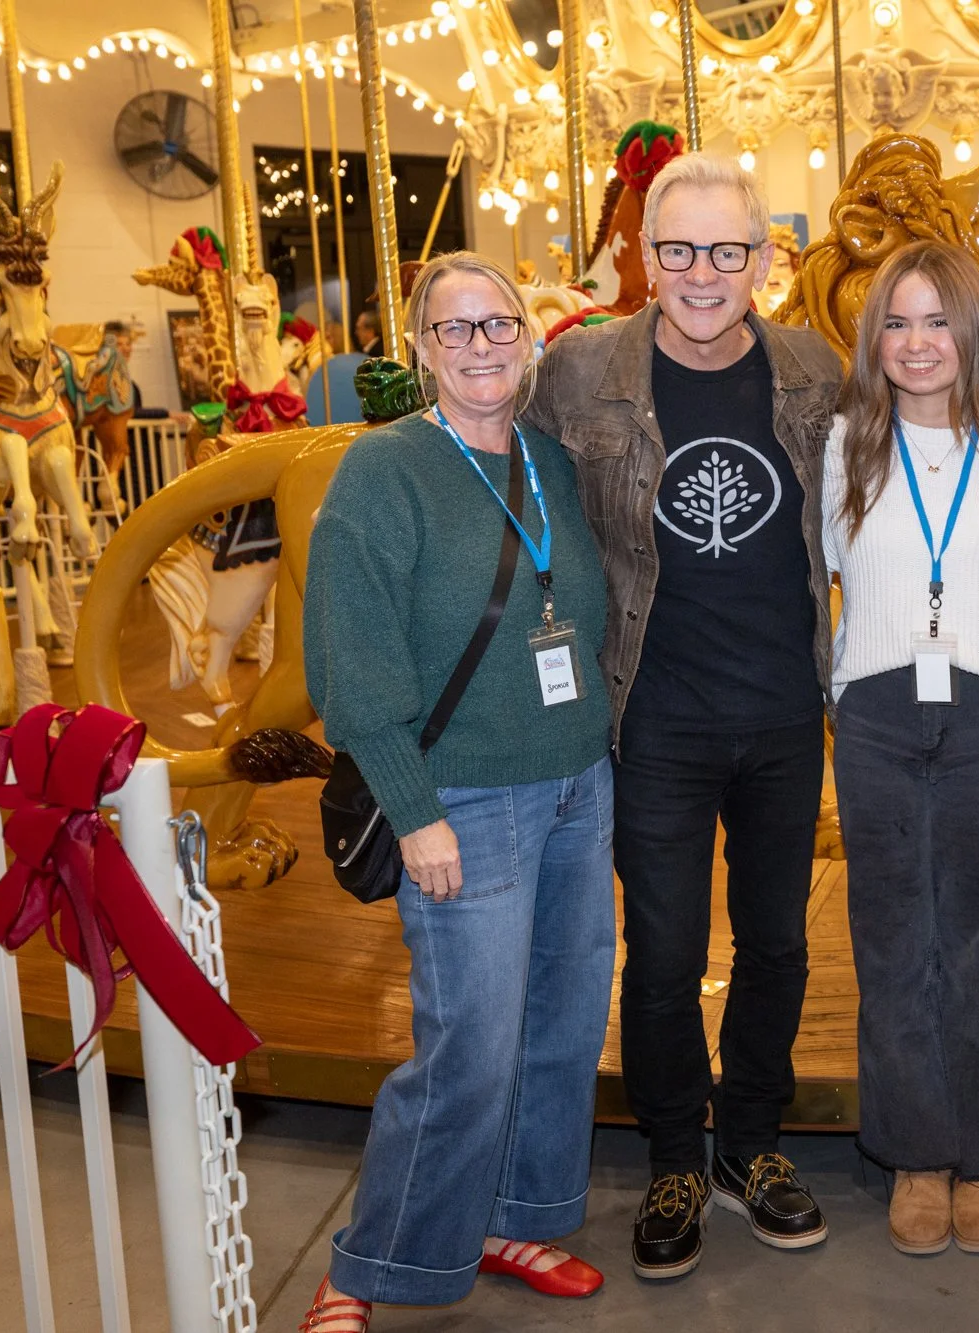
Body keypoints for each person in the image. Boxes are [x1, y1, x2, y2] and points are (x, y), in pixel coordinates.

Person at [525, 154, 842, 1280]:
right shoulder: (578, 372)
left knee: (777, 941)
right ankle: (673, 1155)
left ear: (763, 260)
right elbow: (503, 481)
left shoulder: (814, 369)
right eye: (678, 250)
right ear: (644, 257)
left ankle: (748, 1141)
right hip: (651, 712)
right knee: (661, 951)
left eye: (725, 251)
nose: (702, 274)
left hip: (783, 709)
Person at [298, 252, 615, 1330]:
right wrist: (415, 809)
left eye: (498, 325)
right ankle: (369, 1263)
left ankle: (513, 1217)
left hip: (576, 785)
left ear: (528, 337)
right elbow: (351, 663)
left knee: (562, 1022)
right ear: (422, 349)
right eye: (455, 329)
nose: (481, 346)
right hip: (463, 798)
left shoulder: (548, 458)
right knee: (469, 1045)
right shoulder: (384, 471)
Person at [823, 239, 979, 1258]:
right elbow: (822, 570)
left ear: (973, 331)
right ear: (872, 337)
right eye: (896, 321)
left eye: (936, 321)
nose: (916, 343)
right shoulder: (841, 448)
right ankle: (915, 1153)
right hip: (876, 710)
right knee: (889, 938)